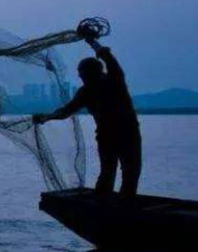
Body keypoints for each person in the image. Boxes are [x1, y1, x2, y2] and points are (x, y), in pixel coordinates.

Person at [33, 33, 141, 197]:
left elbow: (107, 57)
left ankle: (120, 206)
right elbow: (66, 111)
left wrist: (92, 41)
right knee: (114, 172)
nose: (80, 77)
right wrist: (45, 118)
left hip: (126, 134)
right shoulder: (88, 91)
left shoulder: (114, 80)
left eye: (82, 74)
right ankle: (109, 206)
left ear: (92, 73)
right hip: (111, 136)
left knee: (127, 171)